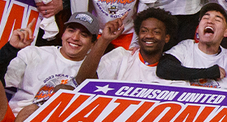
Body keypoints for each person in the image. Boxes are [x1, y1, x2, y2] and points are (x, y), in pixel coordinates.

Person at [73, 8, 219, 86]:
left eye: (156, 32)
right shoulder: (122, 56)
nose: (149, 35)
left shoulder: (173, 71)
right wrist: (104, 39)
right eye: (144, 31)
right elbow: (82, 80)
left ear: (166, 37)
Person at [160, 3, 227, 90]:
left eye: (217, 19)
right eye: (205, 18)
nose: (210, 21)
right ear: (197, 29)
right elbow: (163, 68)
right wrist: (207, 73)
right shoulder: (186, 47)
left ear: (226, 32)